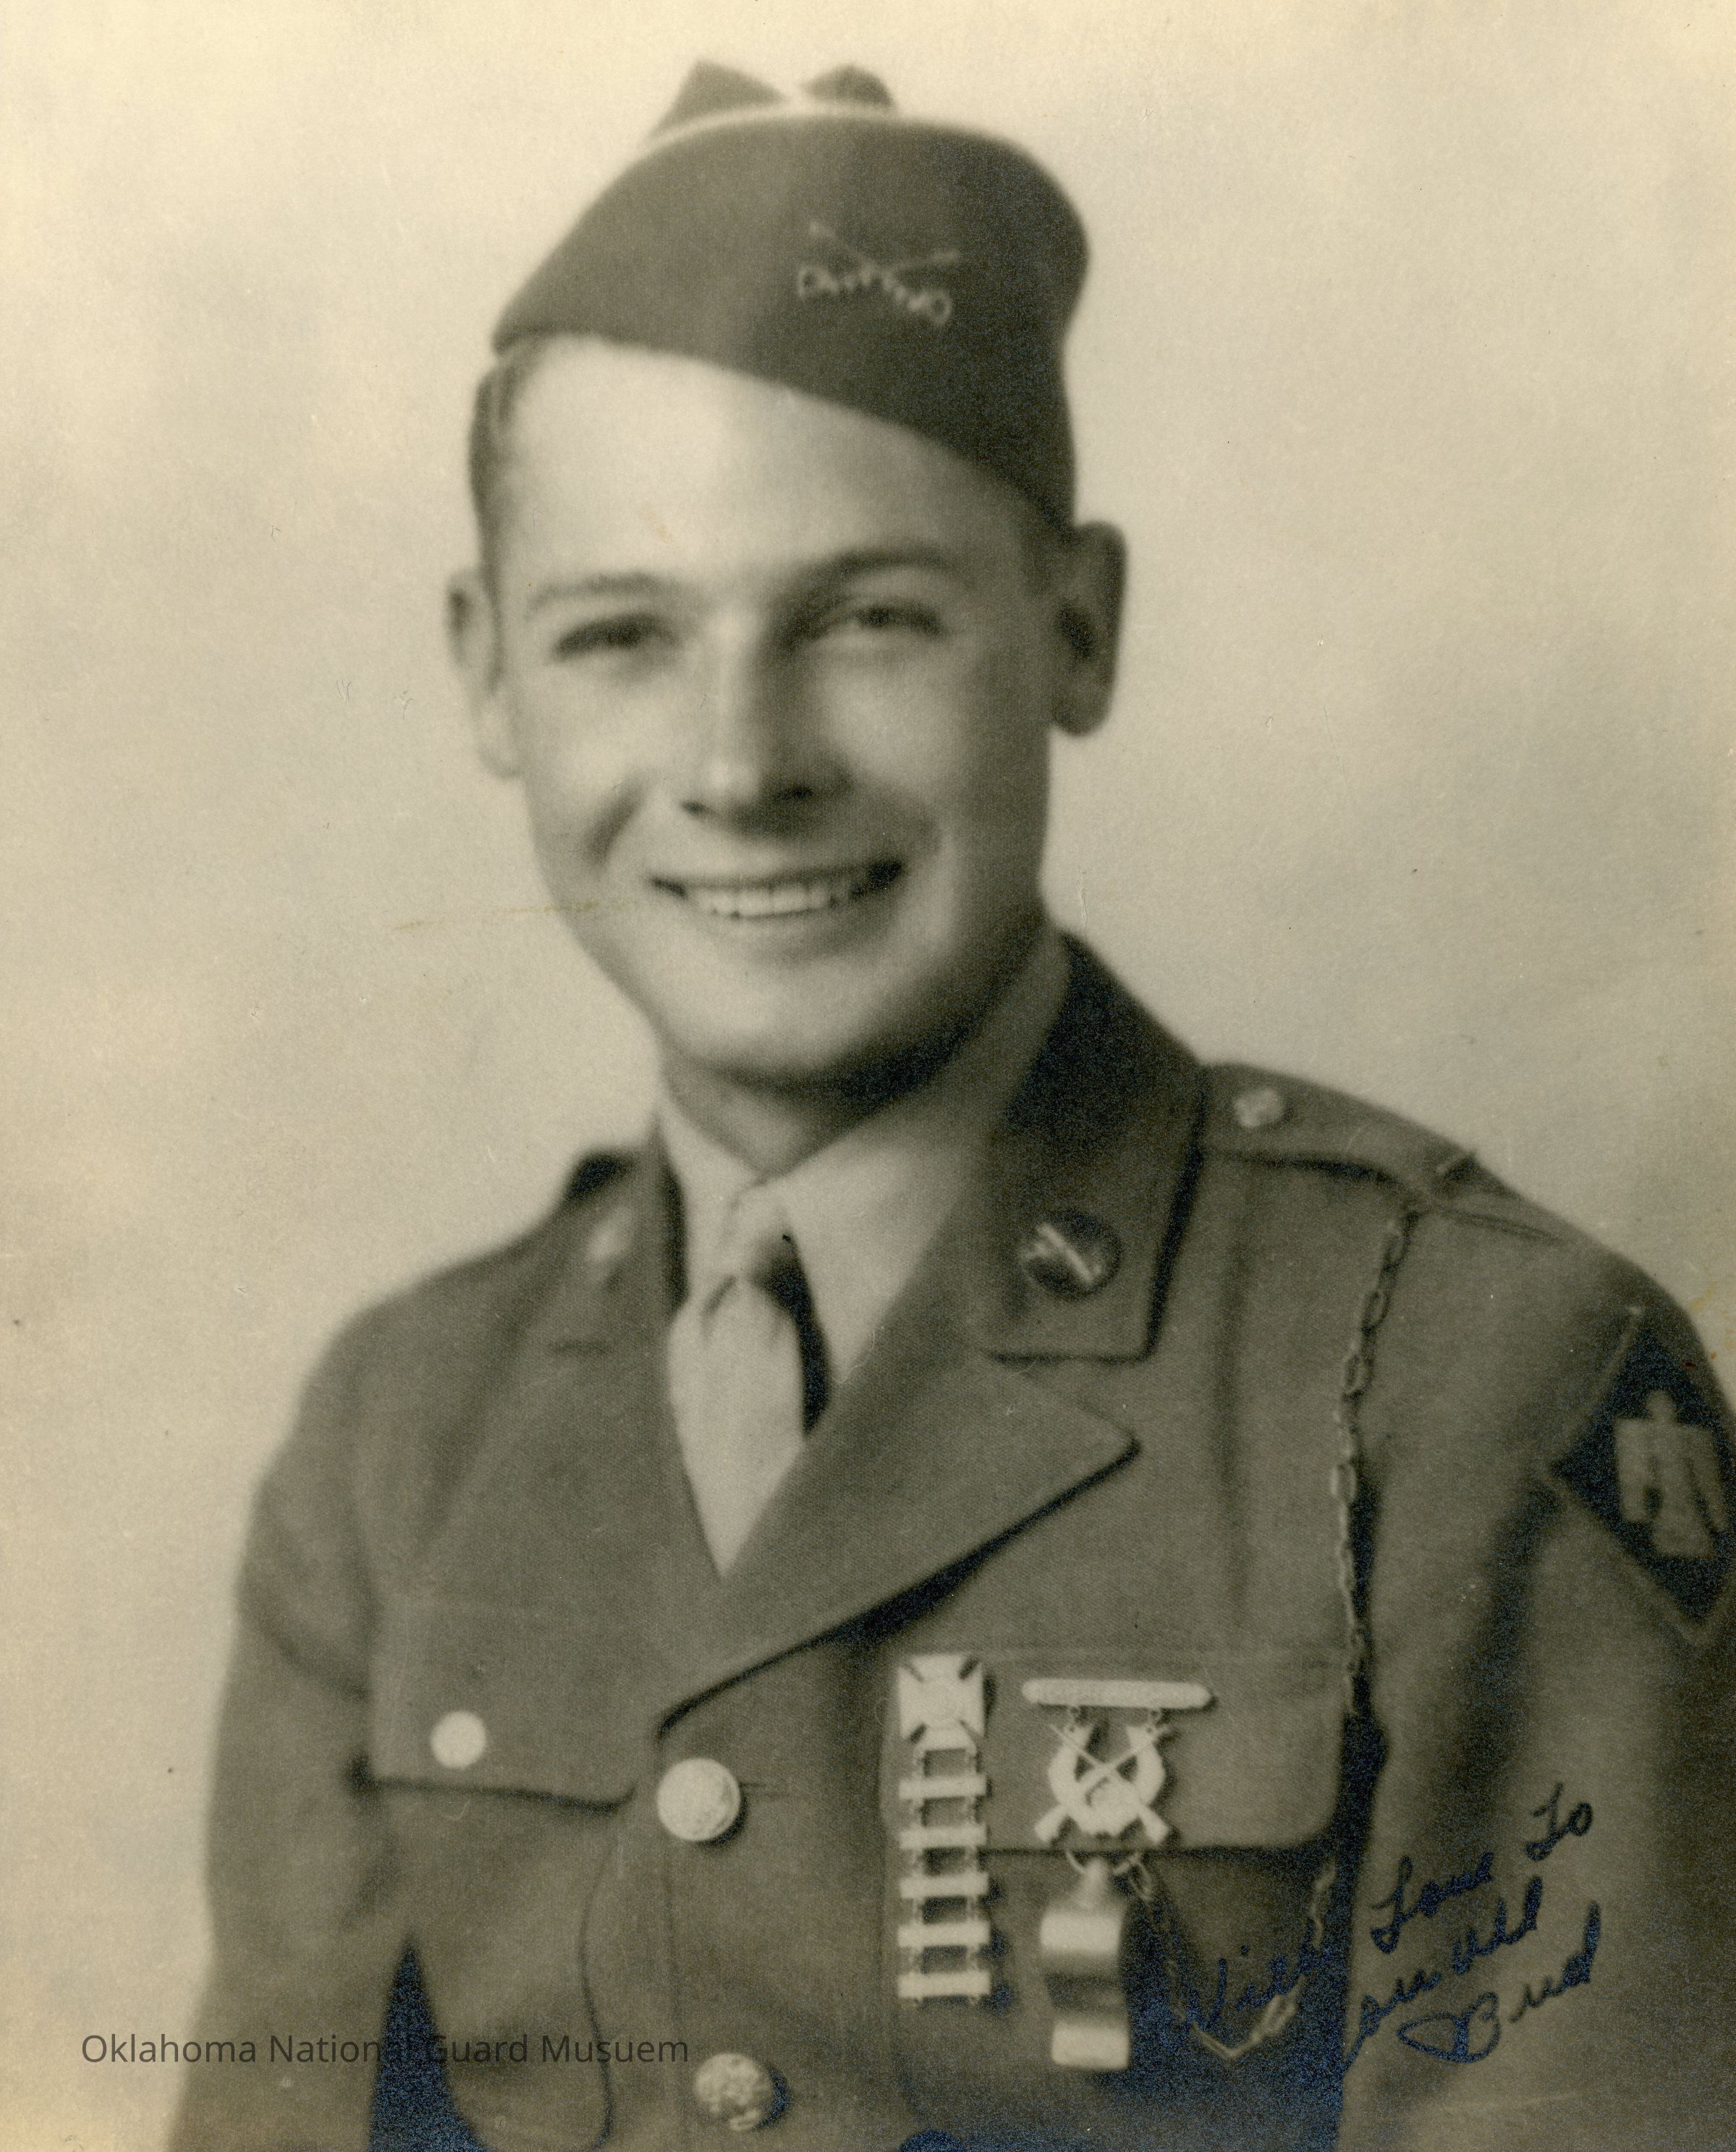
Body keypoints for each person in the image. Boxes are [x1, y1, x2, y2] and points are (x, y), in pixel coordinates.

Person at [172, 60, 1735, 2152]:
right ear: (483, 677)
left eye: (869, 620)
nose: (743, 764)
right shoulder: (398, 1438)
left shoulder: (1458, 1381)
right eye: (621, 636)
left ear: (1076, 630)